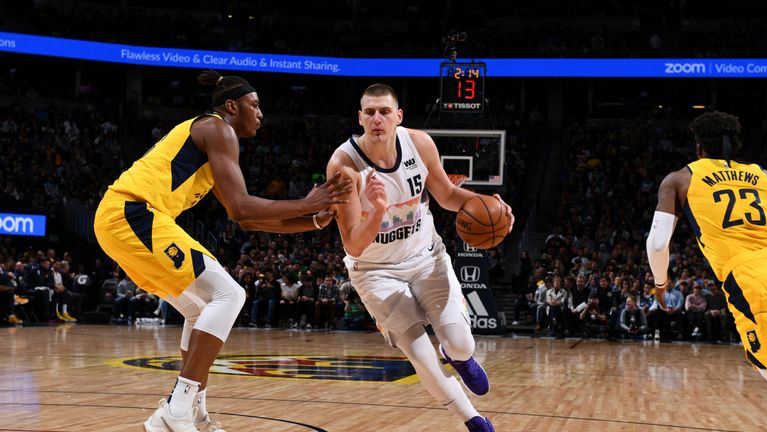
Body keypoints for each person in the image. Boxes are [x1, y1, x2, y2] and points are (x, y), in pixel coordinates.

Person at [94, 70, 351, 432]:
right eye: (255, 105)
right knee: (230, 294)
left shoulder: (212, 138)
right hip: (132, 212)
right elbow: (245, 208)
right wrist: (308, 200)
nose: (261, 113)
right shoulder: (217, 129)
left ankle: (193, 411)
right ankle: (175, 409)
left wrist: (314, 220)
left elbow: (241, 218)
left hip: (122, 220)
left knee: (200, 308)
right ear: (232, 106)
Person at [325, 83, 514, 432]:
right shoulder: (344, 165)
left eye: (385, 112)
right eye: (370, 112)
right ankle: (472, 418)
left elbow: (446, 195)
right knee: (421, 359)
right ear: (360, 118)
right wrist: (378, 210)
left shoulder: (419, 143)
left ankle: (456, 355)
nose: (377, 118)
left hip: (427, 258)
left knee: (460, 344)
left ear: (399, 117)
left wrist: (487, 204)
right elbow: (353, 244)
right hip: (375, 272)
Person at [647, 110, 767, 379]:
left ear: (699, 147)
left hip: (751, 279)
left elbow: (657, 245)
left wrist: (660, 285)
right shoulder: (764, 175)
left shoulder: (680, 179)